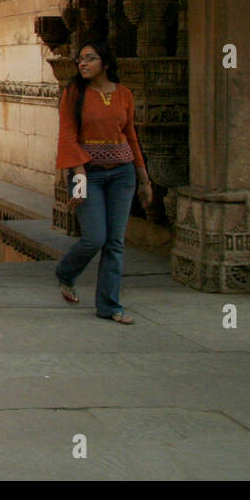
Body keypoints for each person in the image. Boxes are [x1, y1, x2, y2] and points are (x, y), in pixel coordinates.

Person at [54, 39, 154, 324]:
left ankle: (110, 306)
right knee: (94, 238)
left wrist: (144, 178)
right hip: (89, 173)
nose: (82, 64)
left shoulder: (123, 94)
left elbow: (130, 135)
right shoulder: (74, 93)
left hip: (123, 173)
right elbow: (67, 135)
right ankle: (66, 273)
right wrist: (80, 176)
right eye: (80, 60)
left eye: (89, 58)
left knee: (115, 242)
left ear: (105, 63)